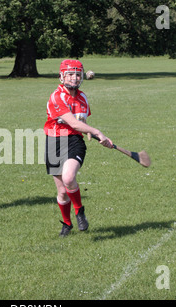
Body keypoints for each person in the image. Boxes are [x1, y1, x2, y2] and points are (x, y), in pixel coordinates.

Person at [44, 59, 113, 237]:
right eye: (70, 74)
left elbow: (81, 122)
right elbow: (73, 122)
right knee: (61, 191)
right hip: (53, 142)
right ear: (62, 76)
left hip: (74, 141)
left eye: (77, 74)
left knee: (68, 178)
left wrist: (94, 134)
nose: (74, 78)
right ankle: (67, 224)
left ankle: (79, 211)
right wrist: (98, 132)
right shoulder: (56, 97)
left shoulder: (82, 97)